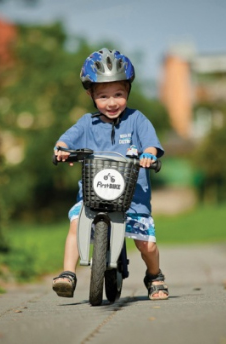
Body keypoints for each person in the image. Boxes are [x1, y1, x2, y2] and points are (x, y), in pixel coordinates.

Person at [52, 48, 168, 301]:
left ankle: (155, 276)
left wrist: (148, 155)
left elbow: (150, 143)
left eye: (118, 94)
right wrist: (61, 150)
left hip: (133, 197)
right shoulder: (87, 123)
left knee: (146, 244)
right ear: (91, 94)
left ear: (128, 91)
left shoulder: (137, 120)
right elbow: (66, 140)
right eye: (103, 96)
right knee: (76, 225)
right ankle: (68, 274)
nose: (112, 102)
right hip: (93, 195)